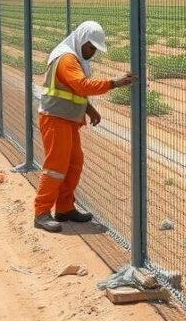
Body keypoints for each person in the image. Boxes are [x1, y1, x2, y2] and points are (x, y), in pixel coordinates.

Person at [32, 21, 135, 233]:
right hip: (55, 118)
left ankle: (64, 208)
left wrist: (89, 109)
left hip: (67, 119)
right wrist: (114, 83)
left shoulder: (75, 58)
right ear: (81, 40)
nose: (92, 52)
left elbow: (74, 90)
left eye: (95, 49)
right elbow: (81, 85)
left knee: (74, 164)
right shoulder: (67, 59)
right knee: (55, 167)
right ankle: (41, 213)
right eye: (90, 47)